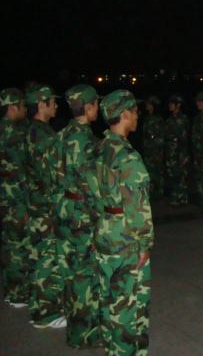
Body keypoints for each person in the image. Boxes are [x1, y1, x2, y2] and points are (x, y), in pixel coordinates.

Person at [92, 90, 154, 356]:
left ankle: (112, 350)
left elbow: (91, 193)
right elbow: (137, 207)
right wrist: (144, 243)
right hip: (126, 237)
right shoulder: (128, 156)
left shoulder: (99, 148)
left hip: (104, 230)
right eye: (135, 111)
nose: (137, 116)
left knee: (108, 300)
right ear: (125, 114)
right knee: (129, 305)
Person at [50, 84, 101, 348]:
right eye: (96, 104)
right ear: (89, 107)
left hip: (64, 208)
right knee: (85, 273)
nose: (98, 108)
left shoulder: (61, 134)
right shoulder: (86, 140)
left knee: (69, 272)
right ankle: (86, 334)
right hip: (82, 214)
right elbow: (92, 185)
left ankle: (75, 330)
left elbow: (53, 174)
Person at [24, 85, 66, 328]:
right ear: (41, 105)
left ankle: (39, 305)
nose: (56, 105)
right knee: (47, 259)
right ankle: (44, 314)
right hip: (46, 206)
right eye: (52, 101)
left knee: (39, 255)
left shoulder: (32, 130)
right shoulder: (43, 135)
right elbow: (53, 174)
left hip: (36, 203)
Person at [0, 88, 30, 309]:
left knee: (8, 244)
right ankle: (18, 294)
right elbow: (21, 172)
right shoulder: (13, 135)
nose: (25, 109)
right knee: (18, 246)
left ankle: (10, 289)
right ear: (12, 107)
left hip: (4, 197)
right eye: (22, 105)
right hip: (14, 198)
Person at [164, 94, 190, 206]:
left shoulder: (183, 119)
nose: (170, 105)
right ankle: (176, 197)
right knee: (172, 174)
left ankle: (182, 198)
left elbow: (184, 137)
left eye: (172, 104)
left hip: (180, 152)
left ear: (178, 105)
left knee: (181, 175)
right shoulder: (169, 119)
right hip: (171, 151)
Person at [141, 96, 165, 201]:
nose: (147, 105)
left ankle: (159, 192)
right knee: (149, 170)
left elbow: (161, 135)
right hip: (148, 148)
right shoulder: (147, 118)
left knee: (157, 171)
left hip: (156, 149)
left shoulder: (158, 119)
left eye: (149, 103)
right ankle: (151, 191)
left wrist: (154, 139)